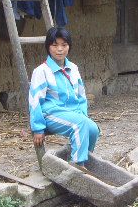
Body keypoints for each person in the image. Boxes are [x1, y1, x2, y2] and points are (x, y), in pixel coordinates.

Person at [29, 27, 100, 165]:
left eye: (64, 45)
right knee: (80, 124)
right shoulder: (41, 71)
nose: (60, 49)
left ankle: (85, 160)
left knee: (93, 129)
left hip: (72, 113)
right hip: (51, 115)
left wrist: (83, 115)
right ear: (48, 47)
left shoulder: (73, 68)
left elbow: (81, 96)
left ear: (69, 46)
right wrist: (37, 128)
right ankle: (77, 167)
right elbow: (35, 101)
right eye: (55, 45)